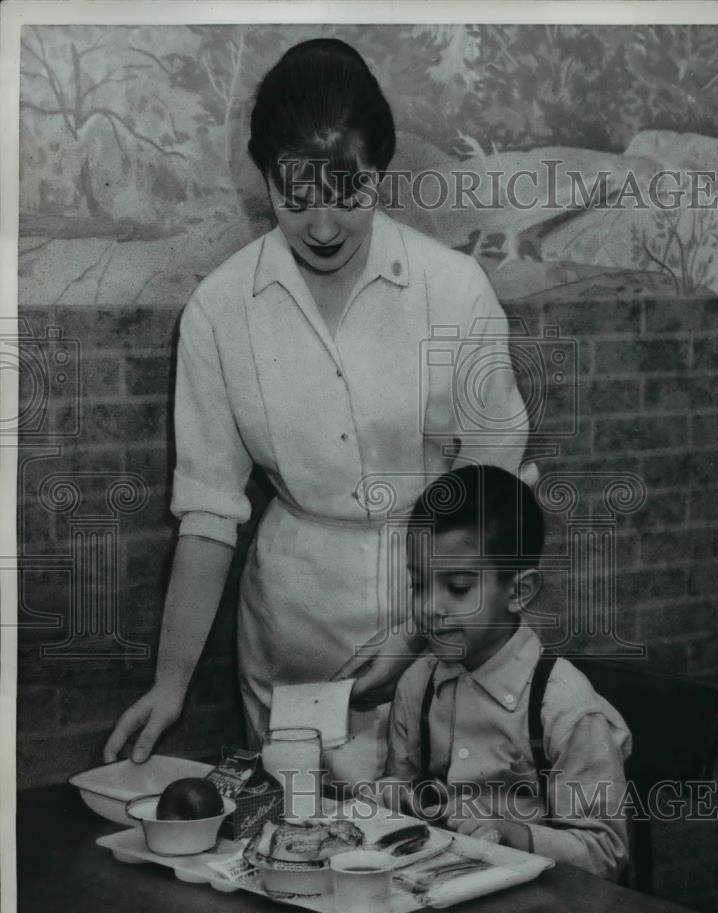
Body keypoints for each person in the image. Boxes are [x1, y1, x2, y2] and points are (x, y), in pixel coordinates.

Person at [103, 39, 531, 776]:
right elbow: (208, 516)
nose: (324, 226)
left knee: (445, 853)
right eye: (295, 198)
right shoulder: (219, 310)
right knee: (304, 852)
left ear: (381, 173)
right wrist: (169, 684)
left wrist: (418, 636)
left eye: (349, 193)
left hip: (443, 615)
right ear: (263, 179)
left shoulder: (453, 291)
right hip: (291, 635)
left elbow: (493, 489)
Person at [371, 464, 632, 879]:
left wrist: (516, 835)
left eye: (457, 587)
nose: (427, 608)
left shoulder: (564, 706)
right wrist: (389, 797)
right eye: (419, 585)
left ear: (519, 591)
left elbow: (605, 852)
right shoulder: (418, 684)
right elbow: (400, 787)